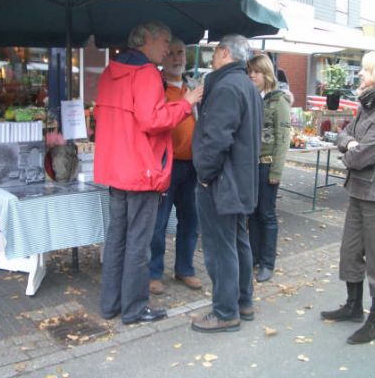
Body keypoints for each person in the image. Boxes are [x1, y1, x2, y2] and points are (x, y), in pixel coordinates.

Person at [94, 22, 203, 325]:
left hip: (115, 168)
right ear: (147, 41)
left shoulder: (110, 71)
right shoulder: (146, 74)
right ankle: (134, 309)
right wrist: (185, 104)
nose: (168, 49)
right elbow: (152, 121)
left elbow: (101, 115)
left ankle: (110, 305)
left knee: (116, 239)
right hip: (141, 170)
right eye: (165, 42)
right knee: (138, 243)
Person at [320, 51, 375, 345]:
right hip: (359, 190)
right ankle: (353, 306)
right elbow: (343, 135)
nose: (360, 74)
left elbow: (360, 157)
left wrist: (351, 148)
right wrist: (350, 143)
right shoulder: (368, 107)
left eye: (366, 70)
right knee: (350, 253)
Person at [191, 34, 262, 333]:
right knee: (237, 242)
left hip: (221, 181)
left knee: (221, 248)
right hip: (239, 180)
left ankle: (225, 312)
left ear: (223, 52)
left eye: (214, 52)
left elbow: (217, 139)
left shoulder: (226, 86)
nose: (212, 57)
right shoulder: (247, 85)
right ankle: (242, 302)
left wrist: (205, 174)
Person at [149, 38, 202, 295]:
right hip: (165, 165)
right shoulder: (154, 86)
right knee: (158, 223)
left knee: (190, 220)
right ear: (162, 56)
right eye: (170, 53)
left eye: (180, 52)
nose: (177, 58)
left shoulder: (193, 86)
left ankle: (185, 269)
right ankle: (153, 273)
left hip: (192, 165)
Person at [247, 54, 292, 283]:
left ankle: (267, 263)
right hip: (251, 167)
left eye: (256, 72)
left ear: (266, 74)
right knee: (253, 214)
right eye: (250, 72)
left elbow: (283, 139)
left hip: (267, 166)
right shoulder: (253, 98)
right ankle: (253, 257)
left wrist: (276, 171)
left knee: (267, 214)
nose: (252, 75)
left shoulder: (279, 101)